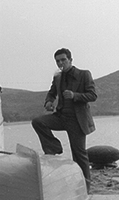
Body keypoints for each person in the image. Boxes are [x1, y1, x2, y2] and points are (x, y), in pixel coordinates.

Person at [31, 48, 97, 192]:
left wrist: (75, 95)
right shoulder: (58, 77)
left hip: (77, 120)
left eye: (63, 60)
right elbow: (51, 93)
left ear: (70, 60)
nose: (60, 63)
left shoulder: (84, 74)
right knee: (38, 121)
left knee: (79, 154)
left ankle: (85, 188)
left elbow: (92, 95)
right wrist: (48, 102)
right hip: (61, 117)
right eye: (58, 61)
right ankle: (54, 148)